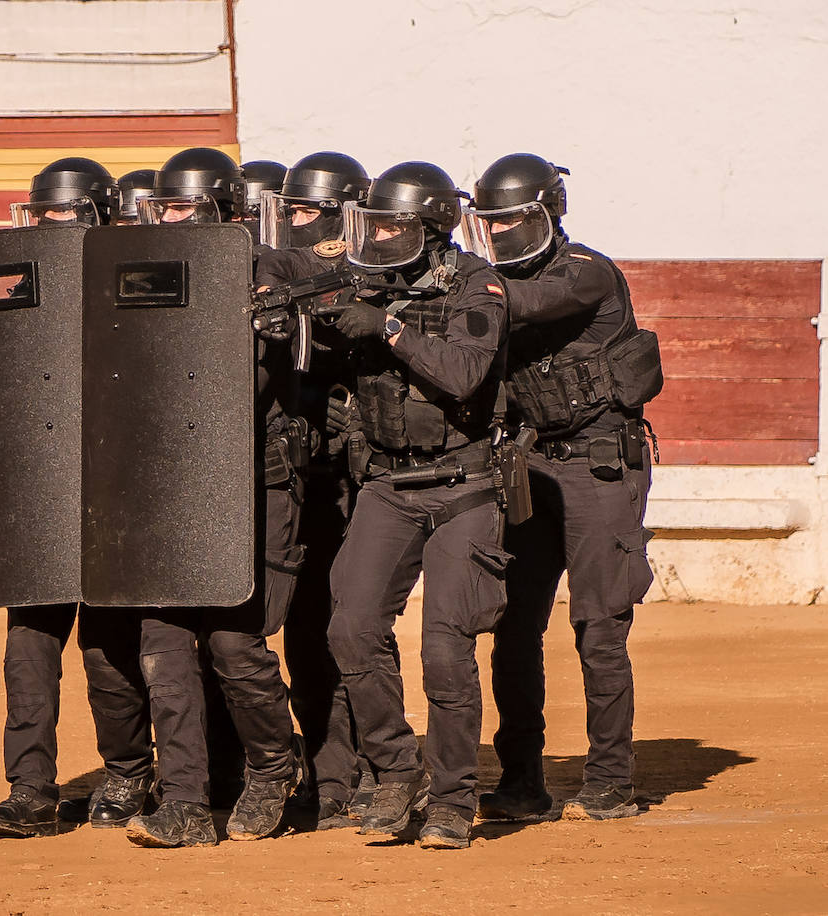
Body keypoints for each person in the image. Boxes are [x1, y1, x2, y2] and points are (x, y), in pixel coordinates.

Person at [463, 153, 660, 823]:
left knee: (599, 627)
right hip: (532, 466)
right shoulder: (487, 285)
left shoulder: (587, 273)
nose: (501, 234)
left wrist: (452, 284)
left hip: (602, 463)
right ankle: (523, 781)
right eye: (489, 223)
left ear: (550, 213)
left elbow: (526, 300)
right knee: (512, 626)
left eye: (513, 220)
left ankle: (609, 782)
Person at [326, 161, 510, 850]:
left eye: (394, 226)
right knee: (351, 630)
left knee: (444, 651)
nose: (379, 238)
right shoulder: (365, 280)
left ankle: (454, 800)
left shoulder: (477, 284)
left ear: (432, 228)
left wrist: (390, 330)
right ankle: (399, 770)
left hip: (465, 486)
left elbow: (464, 373)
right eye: (374, 225)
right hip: (388, 485)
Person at [0, 158, 156, 839]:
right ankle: (30, 789)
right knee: (28, 647)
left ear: (101, 217)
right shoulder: (19, 285)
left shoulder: (135, 279)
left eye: (68, 218)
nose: (53, 230)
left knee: (108, 652)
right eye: (43, 217)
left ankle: (128, 771)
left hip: (115, 493)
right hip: (41, 496)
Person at [125, 147, 300, 848]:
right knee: (163, 642)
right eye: (161, 207)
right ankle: (187, 804)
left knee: (233, 641)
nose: (166, 218)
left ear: (225, 210)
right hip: (172, 488)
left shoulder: (270, 273)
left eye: (180, 207)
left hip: (254, 484)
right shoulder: (146, 274)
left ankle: (271, 770)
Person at [252, 151, 372, 830]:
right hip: (293, 478)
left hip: (346, 484)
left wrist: (345, 399)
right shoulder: (280, 270)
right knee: (294, 632)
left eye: (300, 209)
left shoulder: (371, 271)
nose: (289, 222)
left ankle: (347, 777)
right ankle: (321, 774)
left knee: (337, 633)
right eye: (287, 208)